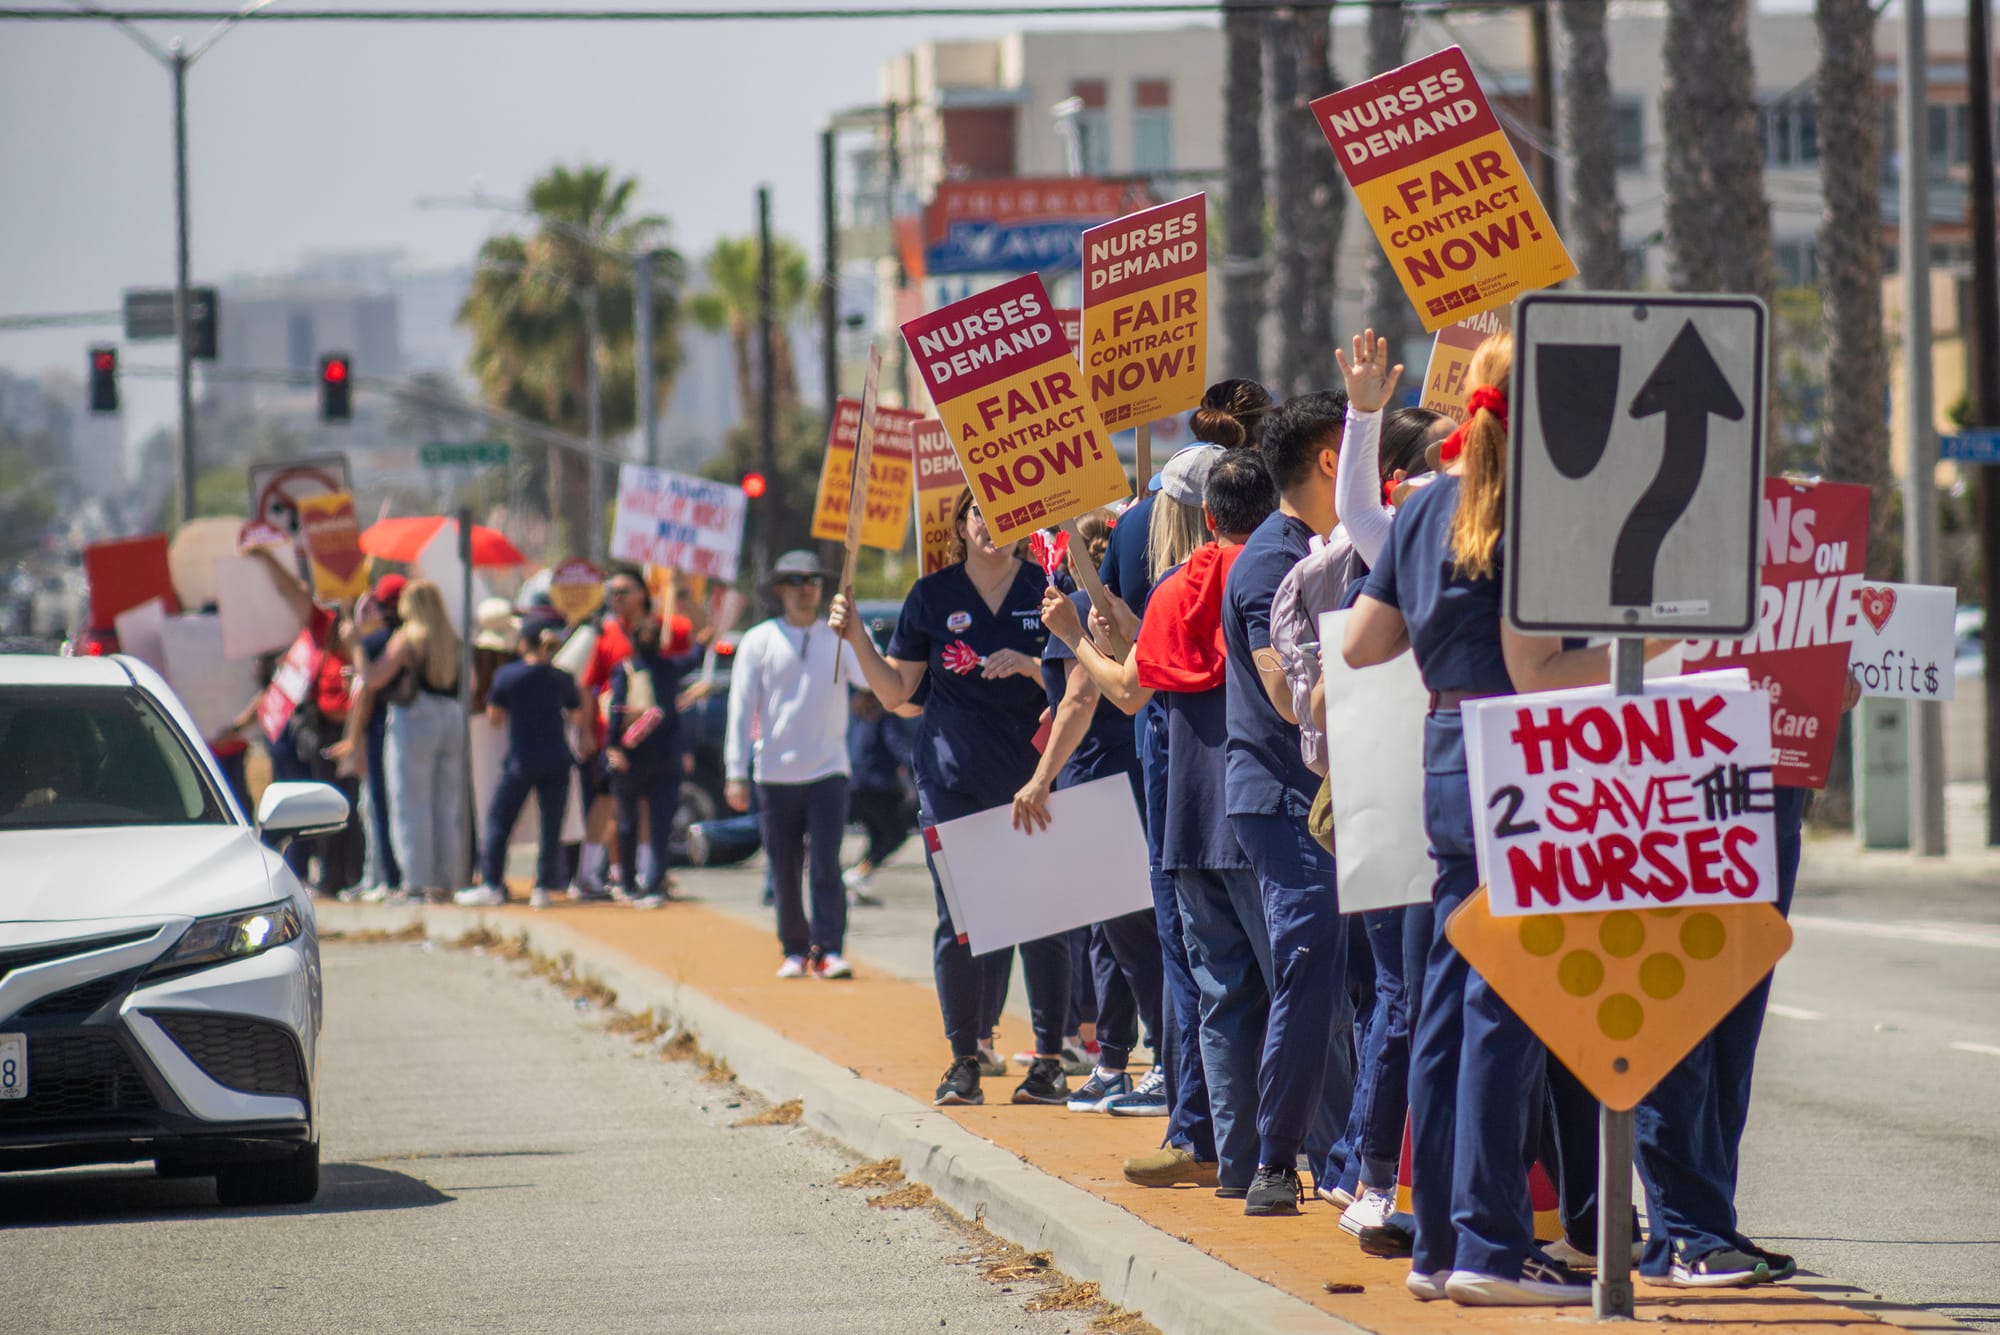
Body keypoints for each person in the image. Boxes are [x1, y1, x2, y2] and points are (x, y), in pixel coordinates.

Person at [1346, 330, 1664, 1305]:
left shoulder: (1425, 504)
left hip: (1442, 758)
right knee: (1504, 1007)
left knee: (1446, 1005)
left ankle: (1438, 1245)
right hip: (1519, 765)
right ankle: (1487, 1245)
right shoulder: (1533, 512)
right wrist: (1644, 651)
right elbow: (1536, 671)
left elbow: (1362, 644)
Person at [1051, 448, 1278, 1199]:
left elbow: (1124, 687)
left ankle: (1250, 1156)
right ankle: (1299, 1152)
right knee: (1282, 989)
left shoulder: (1189, 586)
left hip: (1203, 818)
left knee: (1230, 993)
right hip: (1245, 812)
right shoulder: (1264, 569)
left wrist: (1072, 633)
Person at [830, 488, 1073, 1109]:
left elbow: (1080, 684)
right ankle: (964, 1058)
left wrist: (1027, 664)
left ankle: (1048, 1059)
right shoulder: (930, 597)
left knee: (1039, 917)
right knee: (961, 922)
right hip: (951, 782)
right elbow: (897, 694)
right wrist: (858, 637)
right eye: (977, 516)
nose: (990, 527)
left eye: (1004, 517)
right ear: (960, 527)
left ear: (1024, 528)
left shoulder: (1045, 591)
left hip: (1032, 782)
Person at [1221, 390, 1356, 1216]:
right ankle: (1277, 1161)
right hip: (1285, 800)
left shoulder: (1326, 546)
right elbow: (1286, 697)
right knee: (1308, 971)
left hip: (1338, 798)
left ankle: (1356, 1157)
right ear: (1332, 460)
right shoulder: (1273, 561)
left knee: (1364, 982)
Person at [1018, 510, 1165, 1115]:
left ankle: (1163, 1061)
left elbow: (1079, 699)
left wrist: (1039, 777)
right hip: (1109, 777)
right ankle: (1113, 1058)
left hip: (1099, 780)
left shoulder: (1085, 605)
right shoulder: (1105, 605)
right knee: (1111, 934)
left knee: (1130, 935)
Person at [724, 550, 864, 979]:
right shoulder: (759, 640)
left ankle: (829, 949)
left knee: (825, 860)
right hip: (774, 772)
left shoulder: (837, 638)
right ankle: (795, 948)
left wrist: (857, 632)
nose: (807, 589)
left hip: (828, 769)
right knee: (783, 867)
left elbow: (870, 678)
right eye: (796, 581)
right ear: (780, 589)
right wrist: (736, 770)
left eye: (814, 581)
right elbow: (741, 704)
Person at [330, 579, 466, 904]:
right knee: (446, 806)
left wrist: (356, 645)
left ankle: (416, 883)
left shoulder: (409, 636)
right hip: (451, 716)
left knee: (410, 805)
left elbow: (374, 679)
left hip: (415, 718)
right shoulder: (451, 638)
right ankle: (447, 880)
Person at [578, 563, 694, 897]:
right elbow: (589, 685)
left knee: (647, 813)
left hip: (657, 744)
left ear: (643, 593)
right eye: (611, 592)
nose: (616, 598)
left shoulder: (666, 629)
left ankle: (644, 875)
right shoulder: (607, 633)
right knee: (610, 805)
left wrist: (680, 588)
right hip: (616, 741)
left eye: (623, 591)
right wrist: (588, 732)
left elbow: (702, 638)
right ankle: (594, 874)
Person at [458, 617, 589, 910]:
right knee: (551, 826)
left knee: (499, 820)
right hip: (557, 757)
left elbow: (494, 717)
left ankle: (492, 882)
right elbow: (577, 715)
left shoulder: (508, 675)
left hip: (522, 759)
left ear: (522, 643)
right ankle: (542, 886)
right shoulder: (561, 676)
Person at [606, 610, 708, 909]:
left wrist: (613, 747)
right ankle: (654, 883)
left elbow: (617, 710)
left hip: (633, 757)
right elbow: (695, 657)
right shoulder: (670, 668)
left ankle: (627, 883)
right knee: (661, 823)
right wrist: (703, 640)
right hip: (667, 756)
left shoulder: (625, 669)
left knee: (628, 822)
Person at [344, 575, 406, 900]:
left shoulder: (377, 642)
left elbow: (364, 686)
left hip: (380, 728)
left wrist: (354, 737)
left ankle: (388, 877)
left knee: (378, 805)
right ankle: (387, 876)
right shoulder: (412, 636)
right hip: (402, 728)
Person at [844, 691, 916, 904]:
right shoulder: (884, 713)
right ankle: (857, 874)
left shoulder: (854, 711)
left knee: (877, 835)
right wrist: (919, 764)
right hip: (877, 786)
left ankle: (857, 883)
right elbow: (897, 746)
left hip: (852, 784)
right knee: (896, 834)